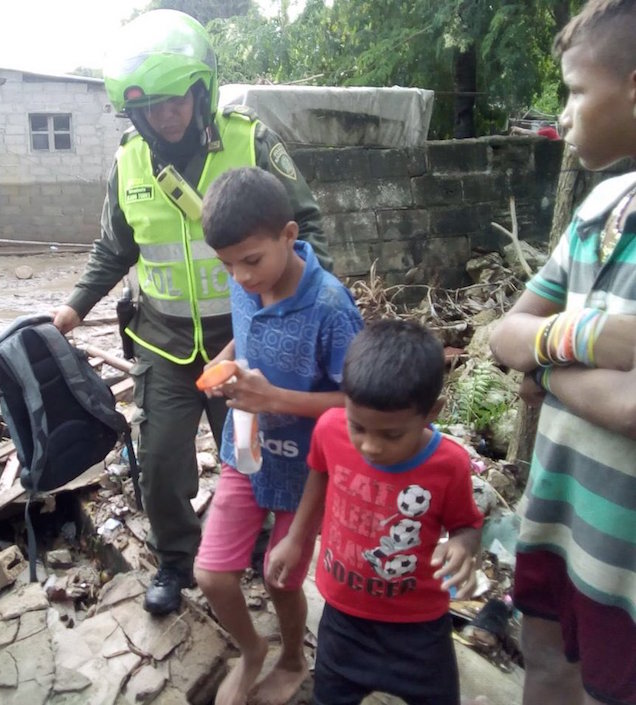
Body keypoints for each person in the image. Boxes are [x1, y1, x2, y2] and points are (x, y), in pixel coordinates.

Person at [52, 9, 332, 616]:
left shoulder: (249, 139)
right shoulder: (128, 159)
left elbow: (307, 229)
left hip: (247, 338)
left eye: (176, 101)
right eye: (151, 107)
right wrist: (73, 310)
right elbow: (114, 247)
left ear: (201, 90)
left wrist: (299, 315)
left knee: (252, 451)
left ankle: (257, 547)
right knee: (160, 459)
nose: (166, 116)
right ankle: (177, 560)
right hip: (162, 340)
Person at [488, 1, 636, 703]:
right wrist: (582, 340)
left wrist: (542, 364)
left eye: (577, 90)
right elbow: (503, 333)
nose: (565, 115)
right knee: (545, 667)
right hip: (556, 516)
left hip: (626, 554)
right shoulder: (598, 209)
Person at [193, 167, 362, 705]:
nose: (240, 277)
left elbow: (360, 404)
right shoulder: (246, 283)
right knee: (213, 575)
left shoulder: (332, 309)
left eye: (251, 260)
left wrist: (278, 400)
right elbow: (243, 337)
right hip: (244, 452)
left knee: (281, 576)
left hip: (306, 470)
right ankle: (252, 649)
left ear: (290, 235)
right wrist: (221, 364)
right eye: (226, 265)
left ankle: (293, 655)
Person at [267, 319, 483, 705]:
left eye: (391, 434)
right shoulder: (331, 428)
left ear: (432, 411)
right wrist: (295, 540)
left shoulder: (449, 464)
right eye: (359, 427)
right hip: (343, 615)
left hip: (417, 626)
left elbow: (466, 524)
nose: (370, 446)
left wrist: (463, 548)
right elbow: (319, 476)